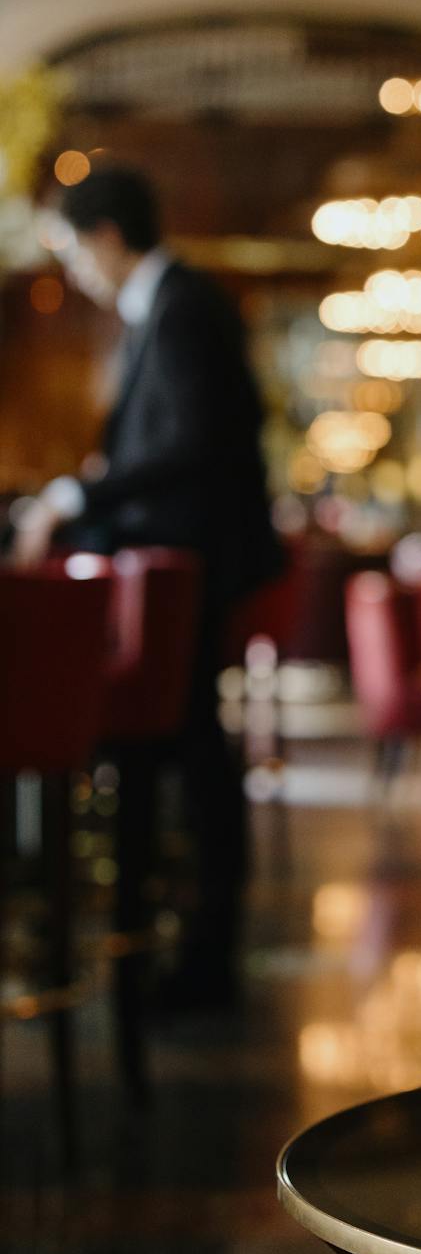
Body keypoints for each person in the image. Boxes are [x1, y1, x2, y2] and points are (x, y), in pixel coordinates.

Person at [16, 164, 281, 1009]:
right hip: (188, 563)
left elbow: (190, 448)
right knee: (192, 754)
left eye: (71, 249)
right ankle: (175, 945)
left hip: (193, 569)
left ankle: (201, 955)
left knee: (196, 756)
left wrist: (74, 498)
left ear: (104, 238)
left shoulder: (183, 305)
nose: (73, 270)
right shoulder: (171, 306)